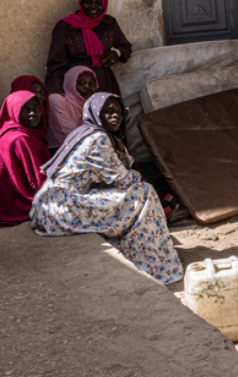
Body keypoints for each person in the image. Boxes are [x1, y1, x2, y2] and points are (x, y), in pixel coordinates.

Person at [30, 93, 183, 285]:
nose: (115, 116)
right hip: (62, 207)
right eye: (108, 112)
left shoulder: (87, 131)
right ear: (94, 113)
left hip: (54, 204)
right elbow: (121, 177)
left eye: (119, 112)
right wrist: (137, 176)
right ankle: (153, 260)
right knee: (144, 191)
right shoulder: (98, 139)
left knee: (140, 190)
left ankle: (148, 249)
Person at [45, 0, 132, 96]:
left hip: (104, 81)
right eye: (88, 2)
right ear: (81, 2)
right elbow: (56, 64)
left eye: (98, 3)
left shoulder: (109, 23)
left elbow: (125, 47)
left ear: (104, 4)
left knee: (106, 111)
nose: (93, 7)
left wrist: (116, 53)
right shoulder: (65, 27)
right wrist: (58, 91)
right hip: (76, 85)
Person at [0, 92, 48, 227]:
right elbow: (37, 180)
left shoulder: (11, 130)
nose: (32, 113)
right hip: (17, 203)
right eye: (25, 110)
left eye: (36, 108)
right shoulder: (21, 138)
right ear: (14, 111)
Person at [47, 66, 98, 150]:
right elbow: (70, 133)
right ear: (71, 84)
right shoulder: (56, 100)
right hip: (60, 150)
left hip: (86, 147)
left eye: (92, 83)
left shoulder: (94, 103)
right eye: (82, 83)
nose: (87, 87)